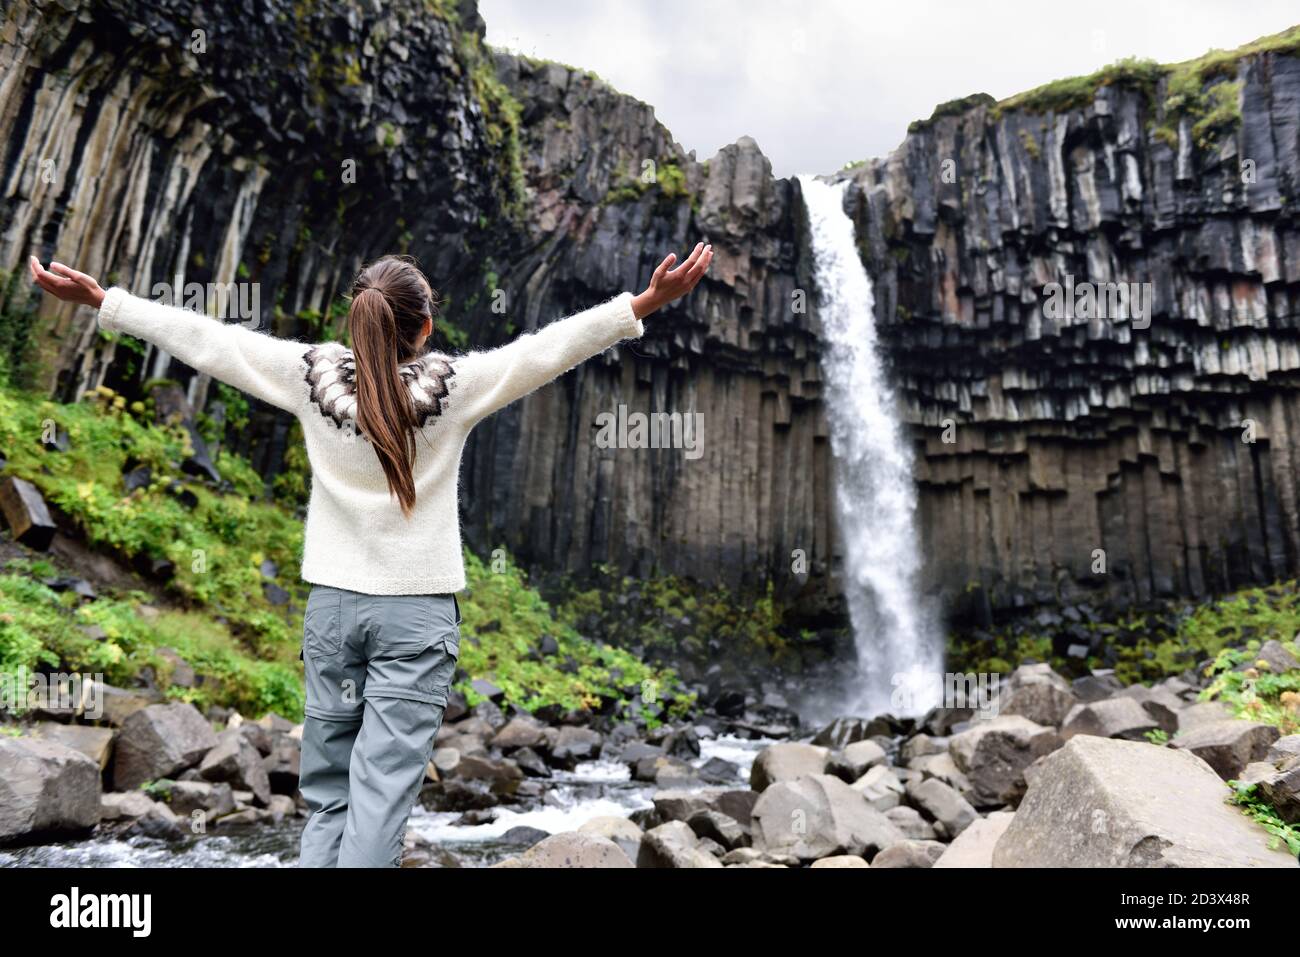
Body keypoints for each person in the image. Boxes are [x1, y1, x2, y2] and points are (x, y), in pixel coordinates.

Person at [28, 242, 713, 866]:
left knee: (327, 794)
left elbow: (211, 341)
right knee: (381, 798)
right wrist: (646, 302)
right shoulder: (456, 389)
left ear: (359, 319)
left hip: (333, 612)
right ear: (422, 328)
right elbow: (548, 348)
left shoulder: (307, 376)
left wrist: (103, 301)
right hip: (414, 618)